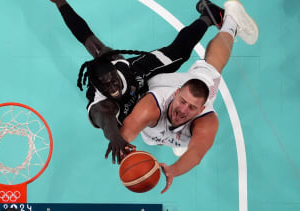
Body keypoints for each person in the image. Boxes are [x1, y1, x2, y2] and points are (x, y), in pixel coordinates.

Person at [49, 0, 225, 164]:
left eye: (113, 81)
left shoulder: (122, 66)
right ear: (100, 86)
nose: (113, 87)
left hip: (140, 75)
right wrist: (115, 138)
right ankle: (174, 137)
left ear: (116, 72)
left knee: (180, 51)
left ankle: (209, 16)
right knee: (148, 131)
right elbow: (106, 121)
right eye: (106, 86)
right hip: (139, 111)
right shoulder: (101, 106)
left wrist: (61, 3)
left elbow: (85, 35)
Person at [119, 0, 258, 193]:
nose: (184, 109)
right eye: (183, 102)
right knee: (183, 53)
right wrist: (122, 148)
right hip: (159, 83)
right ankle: (219, 18)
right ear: (176, 94)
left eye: (192, 107)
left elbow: (196, 153)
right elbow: (129, 129)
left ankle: (232, 20)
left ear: (202, 109)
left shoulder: (206, 119)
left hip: (191, 90)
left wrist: (173, 170)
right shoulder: (151, 107)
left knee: (211, 69)